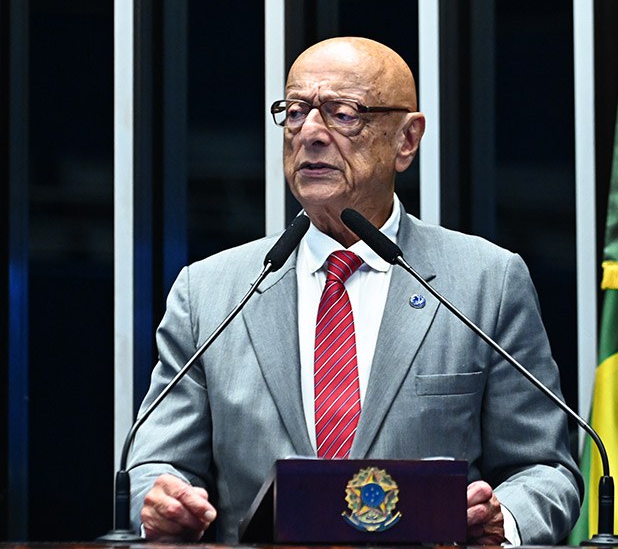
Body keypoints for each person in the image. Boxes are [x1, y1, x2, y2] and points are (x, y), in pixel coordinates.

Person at [128, 36, 582, 544]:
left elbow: (546, 469)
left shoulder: (484, 282)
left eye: (343, 114)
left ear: (407, 140)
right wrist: (163, 501)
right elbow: (158, 462)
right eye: (296, 111)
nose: (311, 134)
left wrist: (505, 522)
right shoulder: (210, 292)